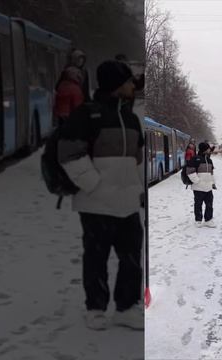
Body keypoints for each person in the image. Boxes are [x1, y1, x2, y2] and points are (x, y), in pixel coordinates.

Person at [57, 60, 144, 331]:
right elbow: (69, 154)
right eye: (129, 81)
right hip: (95, 204)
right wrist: (95, 186)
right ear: (117, 85)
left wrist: (138, 190)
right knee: (96, 259)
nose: (133, 86)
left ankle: (126, 307)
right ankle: (95, 308)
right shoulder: (86, 115)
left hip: (127, 204)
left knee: (132, 257)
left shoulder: (131, 119)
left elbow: (137, 159)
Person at [187, 142, 217, 228]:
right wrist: (197, 181)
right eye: (208, 149)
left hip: (208, 187)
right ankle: (198, 220)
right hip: (198, 187)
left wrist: (213, 183)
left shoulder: (209, 160)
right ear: (204, 149)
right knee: (198, 204)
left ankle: (208, 220)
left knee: (209, 204)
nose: (209, 150)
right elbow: (190, 171)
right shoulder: (195, 159)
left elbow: (211, 173)